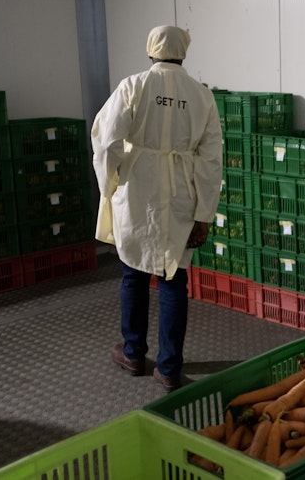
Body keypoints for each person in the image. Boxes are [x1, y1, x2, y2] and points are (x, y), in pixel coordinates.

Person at [91, 25, 223, 392]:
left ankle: (133, 352)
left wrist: (109, 186)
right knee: (173, 279)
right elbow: (212, 161)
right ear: (184, 53)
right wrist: (204, 214)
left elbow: (106, 142)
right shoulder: (201, 96)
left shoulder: (133, 86)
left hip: (138, 191)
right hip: (183, 192)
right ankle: (169, 367)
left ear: (151, 51)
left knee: (133, 273)